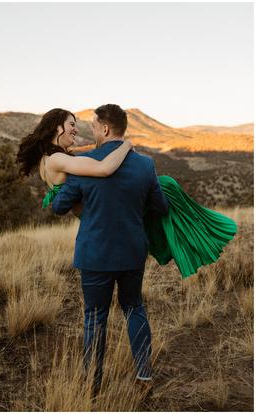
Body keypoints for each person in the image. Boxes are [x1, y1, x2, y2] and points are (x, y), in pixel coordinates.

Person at [47, 104, 236, 392]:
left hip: (94, 254)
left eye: (95, 126)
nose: (92, 131)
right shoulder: (145, 165)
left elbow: (59, 207)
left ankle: (92, 385)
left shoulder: (84, 164)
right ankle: (144, 376)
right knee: (134, 307)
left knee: (94, 316)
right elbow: (160, 206)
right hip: (132, 252)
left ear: (106, 129)